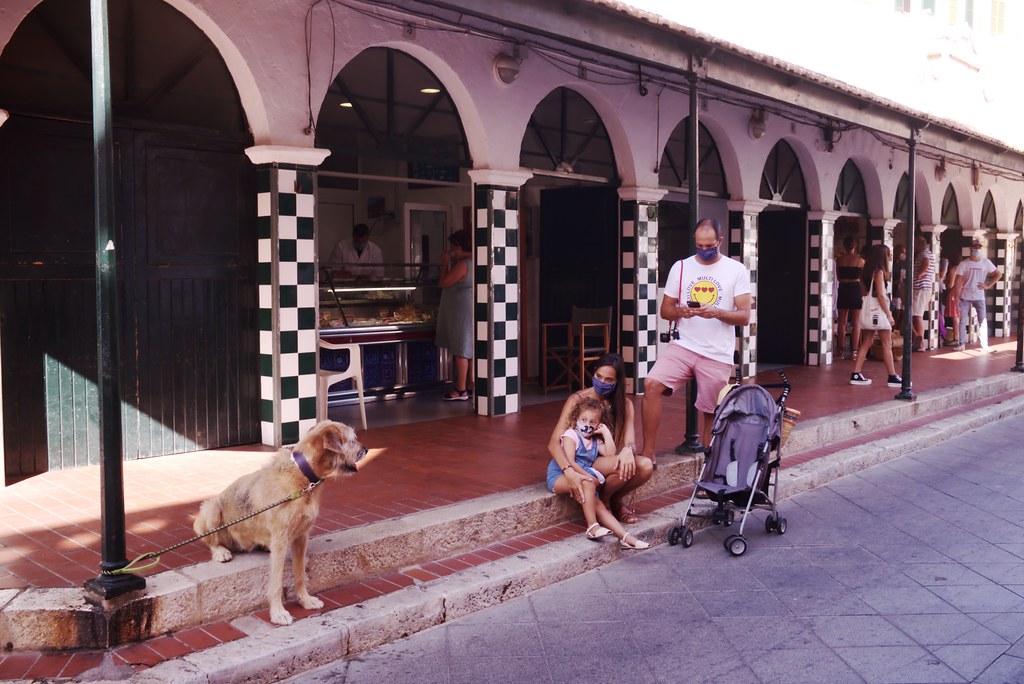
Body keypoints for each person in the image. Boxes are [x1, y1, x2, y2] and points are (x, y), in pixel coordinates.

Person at [639, 218, 752, 458]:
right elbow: (665, 310)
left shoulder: (736, 270)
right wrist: (682, 311)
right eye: (699, 245)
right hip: (684, 346)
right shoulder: (681, 267)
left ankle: (709, 471)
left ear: (720, 241)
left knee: (712, 411)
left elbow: (744, 316)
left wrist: (717, 313)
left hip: (717, 352)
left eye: (709, 246)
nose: (704, 250)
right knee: (651, 384)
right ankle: (647, 453)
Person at [546, 352, 654, 525]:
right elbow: (553, 443)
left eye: (609, 380)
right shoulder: (577, 400)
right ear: (594, 372)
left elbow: (630, 441)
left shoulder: (625, 405)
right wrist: (569, 471)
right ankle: (609, 507)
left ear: (617, 381)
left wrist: (628, 449)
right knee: (629, 464)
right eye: (598, 376)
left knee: (644, 465)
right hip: (578, 460)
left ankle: (606, 500)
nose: (602, 383)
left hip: (600, 459)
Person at [545, 396, 650, 549]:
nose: (587, 425)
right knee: (588, 484)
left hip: (583, 477)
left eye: (592, 422)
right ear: (577, 419)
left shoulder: (595, 441)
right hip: (560, 475)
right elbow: (570, 462)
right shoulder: (571, 435)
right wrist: (588, 477)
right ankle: (592, 526)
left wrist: (606, 433)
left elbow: (610, 453)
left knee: (599, 505)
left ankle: (627, 538)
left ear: (598, 424)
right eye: (584, 420)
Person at [849, 244, 901, 387]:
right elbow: (880, 295)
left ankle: (856, 373)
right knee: (886, 344)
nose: (890, 257)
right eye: (888, 254)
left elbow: (866, 293)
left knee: (866, 342)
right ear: (883, 256)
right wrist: (889, 314)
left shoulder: (865, 272)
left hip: (868, 311)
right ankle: (892, 376)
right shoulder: (879, 272)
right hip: (879, 312)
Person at [435, 229, 473, 400]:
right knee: (470, 348)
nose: (451, 251)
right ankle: (471, 386)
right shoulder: (477, 260)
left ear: (458, 247)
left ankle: (460, 389)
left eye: (453, 248)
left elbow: (444, 283)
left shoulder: (463, 264)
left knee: (461, 349)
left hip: (462, 310)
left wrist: (444, 264)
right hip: (470, 307)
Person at [952, 238, 1002, 353]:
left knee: (983, 320)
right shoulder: (964, 264)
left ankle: (985, 345)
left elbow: (998, 274)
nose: (977, 249)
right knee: (963, 320)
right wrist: (956, 297)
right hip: (965, 296)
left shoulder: (986, 262)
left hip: (979, 296)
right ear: (970, 248)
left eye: (979, 247)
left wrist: (988, 285)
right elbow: (958, 281)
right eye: (975, 247)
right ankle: (962, 343)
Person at [835, 236, 865, 360]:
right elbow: (863, 278)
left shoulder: (839, 260)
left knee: (842, 322)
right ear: (855, 246)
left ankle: (840, 350)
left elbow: (838, 277)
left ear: (845, 246)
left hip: (843, 288)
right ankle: (854, 352)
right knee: (856, 322)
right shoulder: (860, 260)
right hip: (855, 288)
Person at [911, 233, 935, 352]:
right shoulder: (927, 253)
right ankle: (918, 340)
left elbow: (926, 262)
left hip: (920, 288)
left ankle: (920, 344)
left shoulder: (924, 254)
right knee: (915, 314)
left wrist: (920, 273)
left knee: (917, 315)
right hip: (923, 288)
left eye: (915, 243)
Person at [944, 254, 962, 346]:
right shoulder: (964, 269)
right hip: (963, 293)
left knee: (955, 317)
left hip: (954, 294)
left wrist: (945, 281)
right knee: (960, 316)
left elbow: (950, 285)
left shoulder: (954, 269)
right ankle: (961, 337)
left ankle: (957, 338)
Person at [891, 243, 907, 332]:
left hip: (902, 290)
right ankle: (893, 330)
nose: (903, 254)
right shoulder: (892, 263)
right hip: (894, 290)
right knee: (896, 311)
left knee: (903, 312)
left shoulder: (904, 263)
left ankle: (897, 331)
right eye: (901, 252)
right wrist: (895, 282)